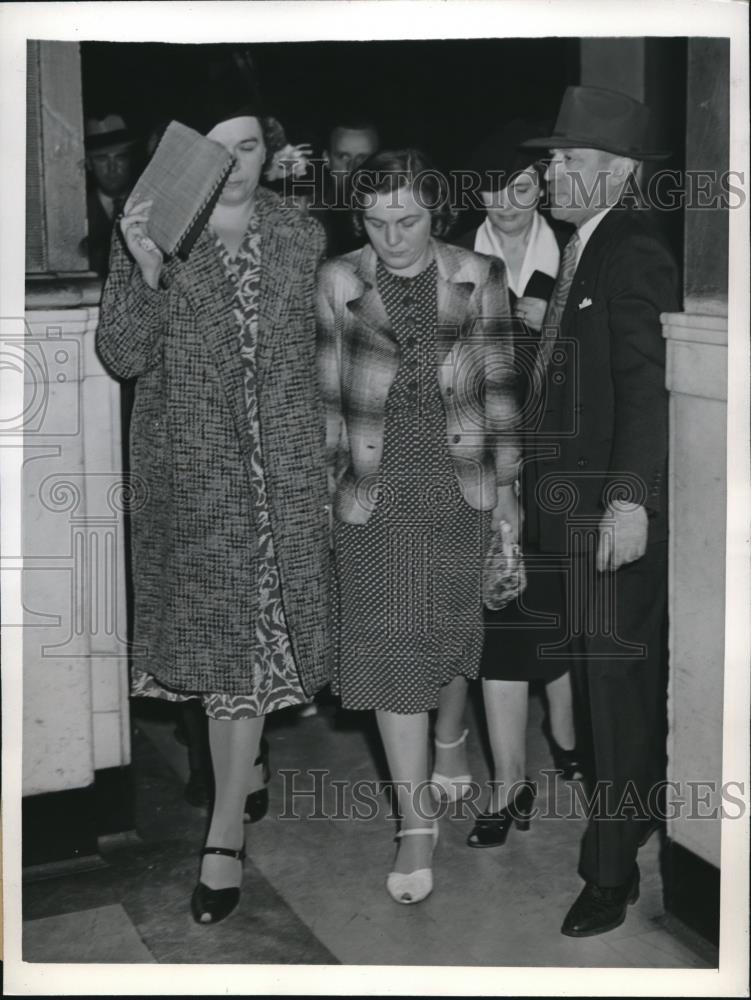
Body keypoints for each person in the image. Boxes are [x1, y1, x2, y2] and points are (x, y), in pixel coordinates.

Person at [96, 95, 331, 926]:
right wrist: (145, 267)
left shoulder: (300, 235)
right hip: (197, 479)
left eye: (250, 148)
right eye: (218, 150)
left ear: (269, 154)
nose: (236, 166)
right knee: (225, 651)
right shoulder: (156, 229)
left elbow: (321, 355)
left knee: (255, 650)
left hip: (284, 476)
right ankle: (236, 798)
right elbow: (122, 355)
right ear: (191, 157)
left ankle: (226, 822)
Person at [317, 149, 521, 905]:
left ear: (437, 214)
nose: (390, 237)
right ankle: (413, 824)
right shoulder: (338, 280)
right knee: (391, 650)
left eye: (406, 220)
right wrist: (325, 497)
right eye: (373, 221)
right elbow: (326, 397)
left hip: (457, 479)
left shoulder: (477, 274)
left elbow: (499, 382)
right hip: (374, 489)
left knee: (446, 633)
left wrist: (509, 489)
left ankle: (449, 740)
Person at [518, 86, 678, 937]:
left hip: (607, 518)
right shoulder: (585, 248)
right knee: (598, 681)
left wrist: (627, 501)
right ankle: (635, 813)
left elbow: (644, 392)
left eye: (568, 158)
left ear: (617, 172)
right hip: (571, 514)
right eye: (550, 157)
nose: (549, 170)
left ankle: (609, 873)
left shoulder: (632, 252)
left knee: (612, 689)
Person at [452, 121, 583, 850]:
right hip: (481, 466)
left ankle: (564, 734)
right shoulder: (453, 263)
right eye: (492, 188)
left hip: (564, 469)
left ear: (543, 187)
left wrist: (552, 327)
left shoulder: (571, 255)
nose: (505, 202)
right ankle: (508, 782)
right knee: (500, 614)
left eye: (523, 186)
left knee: (557, 607)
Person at [308, 115, 380, 255]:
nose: (353, 167)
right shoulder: (307, 216)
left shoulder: (394, 217)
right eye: (343, 157)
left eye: (363, 158)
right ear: (326, 159)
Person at [82, 113, 141, 276]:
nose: (112, 168)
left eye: (119, 157)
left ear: (130, 159)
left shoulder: (145, 206)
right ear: (89, 163)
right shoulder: (79, 211)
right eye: (102, 158)